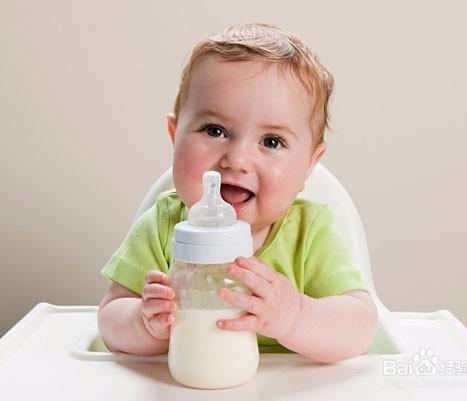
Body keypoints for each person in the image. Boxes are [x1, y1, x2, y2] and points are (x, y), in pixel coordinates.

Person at [98, 23, 378, 364]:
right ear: (175, 135)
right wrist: (144, 324)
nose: (238, 160)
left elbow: (361, 327)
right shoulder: (162, 225)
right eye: (214, 130)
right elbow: (110, 318)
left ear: (308, 165)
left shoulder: (310, 233)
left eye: (271, 142)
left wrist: (295, 316)